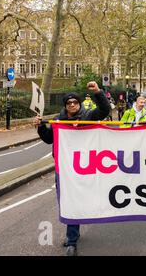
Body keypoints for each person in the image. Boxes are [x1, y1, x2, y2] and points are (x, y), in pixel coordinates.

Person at [33, 81, 110, 256]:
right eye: (69, 103)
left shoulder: (88, 117)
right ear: (66, 106)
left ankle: (73, 237)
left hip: (86, 167)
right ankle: (72, 235)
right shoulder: (58, 122)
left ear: (79, 104)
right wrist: (40, 126)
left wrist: (98, 92)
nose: (73, 105)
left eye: (75, 102)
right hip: (65, 169)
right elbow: (48, 139)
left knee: (81, 200)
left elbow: (104, 111)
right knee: (68, 201)